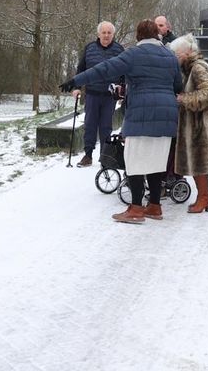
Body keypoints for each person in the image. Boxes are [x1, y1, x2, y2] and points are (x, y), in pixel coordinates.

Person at [63, 19, 182, 223]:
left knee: (134, 162)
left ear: (138, 36)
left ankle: (135, 209)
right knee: (156, 162)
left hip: (140, 116)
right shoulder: (170, 56)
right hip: (167, 116)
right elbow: (177, 86)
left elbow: (104, 69)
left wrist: (76, 80)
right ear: (157, 35)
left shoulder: (133, 54)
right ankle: (154, 206)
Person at [169, 35, 208, 213]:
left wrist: (183, 99)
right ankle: (204, 196)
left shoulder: (197, 68)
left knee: (199, 162)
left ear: (187, 53)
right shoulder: (192, 68)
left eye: (177, 55)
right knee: (197, 161)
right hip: (198, 121)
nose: (175, 58)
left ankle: (203, 197)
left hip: (201, 123)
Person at [71, 21, 124, 167]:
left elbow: (124, 72)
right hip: (92, 94)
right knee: (90, 125)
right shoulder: (89, 48)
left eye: (109, 33)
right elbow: (81, 69)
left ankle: (104, 157)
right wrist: (76, 87)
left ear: (113, 34)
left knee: (106, 126)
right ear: (98, 34)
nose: (106, 35)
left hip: (109, 95)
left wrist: (122, 91)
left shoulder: (119, 50)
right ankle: (88, 155)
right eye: (104, 32)